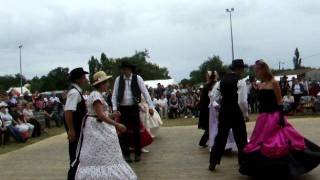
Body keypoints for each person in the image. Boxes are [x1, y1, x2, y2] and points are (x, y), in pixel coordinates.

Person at [240, 60, 320, 179]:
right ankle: (262, 170)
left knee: (279, 143)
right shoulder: (261, 84)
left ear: (263, 70)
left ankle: (286, 169)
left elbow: (279, 102)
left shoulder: (274, 83)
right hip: (263, 118)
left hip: (274, 116)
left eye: (257, 70)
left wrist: (281, 118)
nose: (256, 73)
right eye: (255, 71)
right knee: (259, 142)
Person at [74, 71, 137, 180]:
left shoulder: (98, 95)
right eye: (106, 82)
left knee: (104, 151)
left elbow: (99, 115)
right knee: (100, 151)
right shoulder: (96, 95)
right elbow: (100, 116)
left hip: (97, 126)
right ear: (101, 84)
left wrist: (112, 115)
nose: (108, 84)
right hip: (96, 128)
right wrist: (117, 124)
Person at [209, 59, 249, 171]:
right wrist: (245, 114)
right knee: (241, 138)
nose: (243, 71)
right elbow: (242, 101)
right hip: (236, 113)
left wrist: (222, 106)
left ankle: (213, 162)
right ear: (239, 69)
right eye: (242, 68)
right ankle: (243, 162)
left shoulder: (221, 81)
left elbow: (214, 97)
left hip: (225, 112)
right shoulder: (241, 82)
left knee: (221, 137)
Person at [112, 61, 154, 163]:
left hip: (134, 107)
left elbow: (145, 92)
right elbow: (114, 94)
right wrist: (114, 109)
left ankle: (138, 153)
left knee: (136, 131)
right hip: (122, 108)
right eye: (123, 69)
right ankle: (126, 154)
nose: (124, 71)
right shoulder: (118, 79)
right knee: (124, 131)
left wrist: (151, 106)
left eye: (126, 69)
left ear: (130, 69)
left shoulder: (137, 78)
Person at [64, 67, 89, 180]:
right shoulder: (74, 92)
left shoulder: (77, 91)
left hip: (79, 129)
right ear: (78, 79)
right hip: (77, 130)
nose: (85, 79)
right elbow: (68, 111)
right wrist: (71, 130)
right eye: (83, 77)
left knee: (78, 156)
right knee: (75, 157)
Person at [208, 71, 236, 151]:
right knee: (223, 127)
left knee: (218, 127)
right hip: (218, 108)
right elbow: (216, 97)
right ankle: (224, 145)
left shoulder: (216, 84)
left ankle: (225, 145)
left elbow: (212, 96)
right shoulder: (220, 84)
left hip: (216, 108)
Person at [198, 71, 213, 148]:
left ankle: (203, 142)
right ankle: (202, 142)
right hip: (207, 109)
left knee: (210, 127)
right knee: (209, 127)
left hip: (207, 109)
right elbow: (204, 99)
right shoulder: (207, 86)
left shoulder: (208, 86)